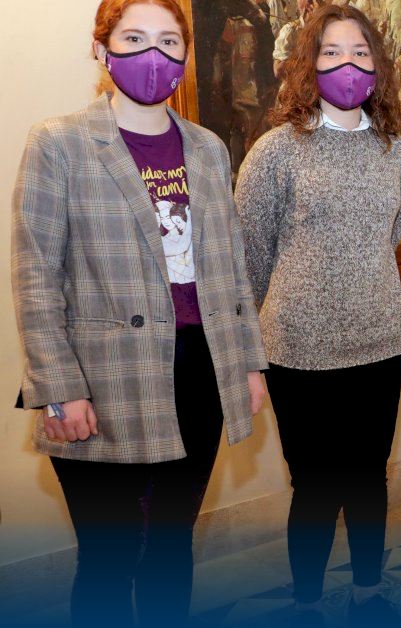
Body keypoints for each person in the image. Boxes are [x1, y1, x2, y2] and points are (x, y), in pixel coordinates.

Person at [10, 0, 269, 625]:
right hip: (102, 378)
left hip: (199, 370)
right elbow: (35, 275)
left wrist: (249, 364)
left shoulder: (208, 149)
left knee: (171, 548)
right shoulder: (60, 142)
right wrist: (59, 388)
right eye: (134, 39)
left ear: (185, 55)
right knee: (110, 555)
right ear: (102, 50)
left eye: (169, 41)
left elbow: (230, 264)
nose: (153, 55)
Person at [235, 4, 401, 624]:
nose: (347, 64)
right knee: (314, 488)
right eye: (332, 52)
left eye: (360, 52)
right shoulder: (275, 151)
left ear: (378, 65)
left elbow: (388, 235)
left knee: (369, 478)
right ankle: (307, 604)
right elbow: (250, 257)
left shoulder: (395, 150)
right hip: (299, 350)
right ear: (308, 63)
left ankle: (368, 593)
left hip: (381, 343)